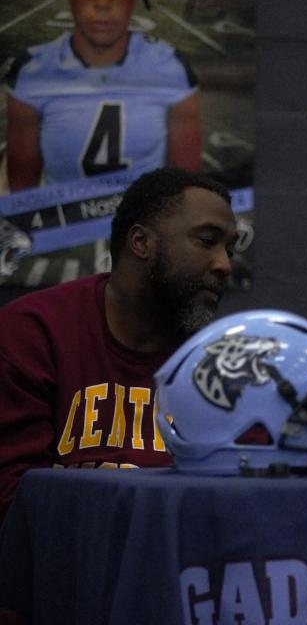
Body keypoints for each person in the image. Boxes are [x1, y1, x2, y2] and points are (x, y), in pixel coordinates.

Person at [0, 166, 237, 521]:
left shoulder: (218, 362)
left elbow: (238, 497)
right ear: (141, 242)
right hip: (65, 568)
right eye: (207, 241)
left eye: (229, 249)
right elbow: (12, 501)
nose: (224, 264)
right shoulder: (33, 332)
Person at [4, 0, 201, 191]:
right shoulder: (31, 74)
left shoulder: (172, 70)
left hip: (145, 220)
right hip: (65, 220)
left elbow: (185, 188)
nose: (102, 3)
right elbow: (24, 195)